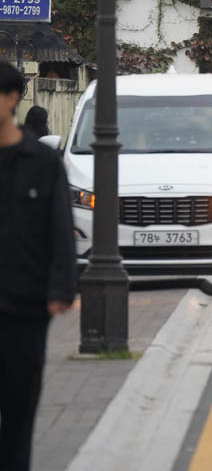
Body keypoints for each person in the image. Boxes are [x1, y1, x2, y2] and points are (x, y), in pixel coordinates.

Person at [0, 61, 76, 471]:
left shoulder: (41, 162)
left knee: (18, 407)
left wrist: (62, 288)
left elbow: (60, 228)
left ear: (12, 99)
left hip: (24, 307)